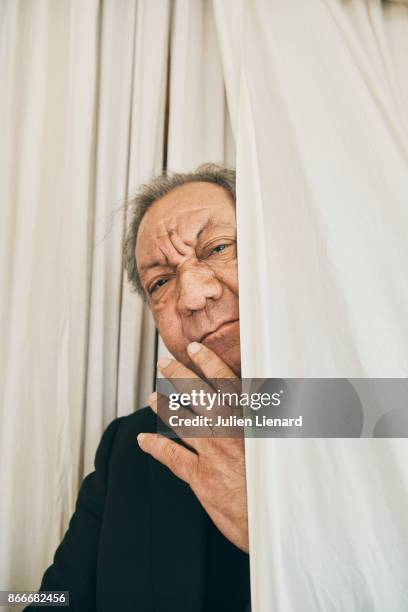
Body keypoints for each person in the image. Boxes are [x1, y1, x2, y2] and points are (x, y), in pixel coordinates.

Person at [26, 164, 250, 612]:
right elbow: (56, 600)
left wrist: (267, 527)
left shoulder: (366, 415)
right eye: (161, 282)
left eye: (218, 247)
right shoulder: (131, 445)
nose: (192, 295)